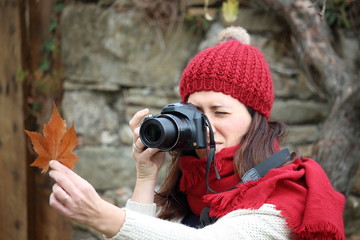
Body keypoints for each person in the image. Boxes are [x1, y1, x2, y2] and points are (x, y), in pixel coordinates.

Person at [49, 26, 345, 239]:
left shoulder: (282, 192)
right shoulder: (189, 190)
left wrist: (104, 216)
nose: (205, 125)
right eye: (196, 112)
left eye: (220, 112)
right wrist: (145, 176)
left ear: (256, 120)